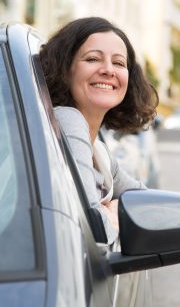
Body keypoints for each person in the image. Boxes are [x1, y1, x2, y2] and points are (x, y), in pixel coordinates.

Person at [39, 17, 158, 244]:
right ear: (65, 69)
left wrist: (113, 208)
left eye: (119, 63)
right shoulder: (67, 120)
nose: (108, 70)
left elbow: (149, 203)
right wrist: (113, 216)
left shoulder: (100, 153)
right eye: (93, 59)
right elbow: (94, 229)